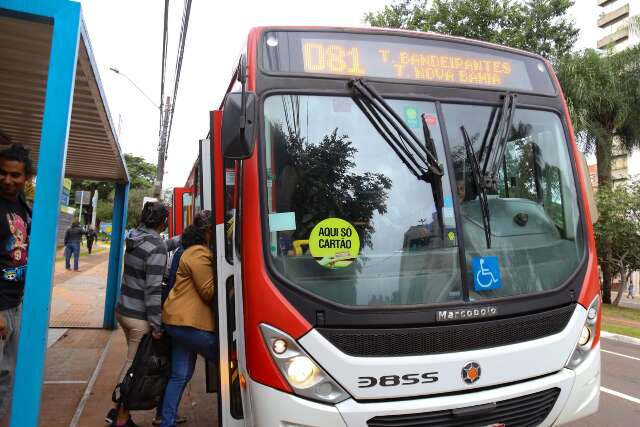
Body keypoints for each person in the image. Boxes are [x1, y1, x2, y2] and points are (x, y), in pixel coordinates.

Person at [107, 202, 179, 427]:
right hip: (140, 318)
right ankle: (119, 416)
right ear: (163, 222)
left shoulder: (135, 236)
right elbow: (152, 289)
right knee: (134, 370)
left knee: (132, 364)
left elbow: (157, 246)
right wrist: (157, 325)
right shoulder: (155, 246)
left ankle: (119, 413)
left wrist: (180, 240)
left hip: (124, 310)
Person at [159, 211, 217, 427]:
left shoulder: (189, 251)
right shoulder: (199, 254)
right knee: (229, 358)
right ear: (208, 232)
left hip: (176, 321)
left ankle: (167, 421)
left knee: (180, 374)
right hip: (188, 323)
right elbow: (208, 291)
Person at [0, 144, 33, 420]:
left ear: (26, 178)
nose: (7, 180)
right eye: (2, 173)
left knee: (7, 373)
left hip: (15, 302)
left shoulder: (22, 206)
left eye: (15, 175)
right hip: (0, 306)